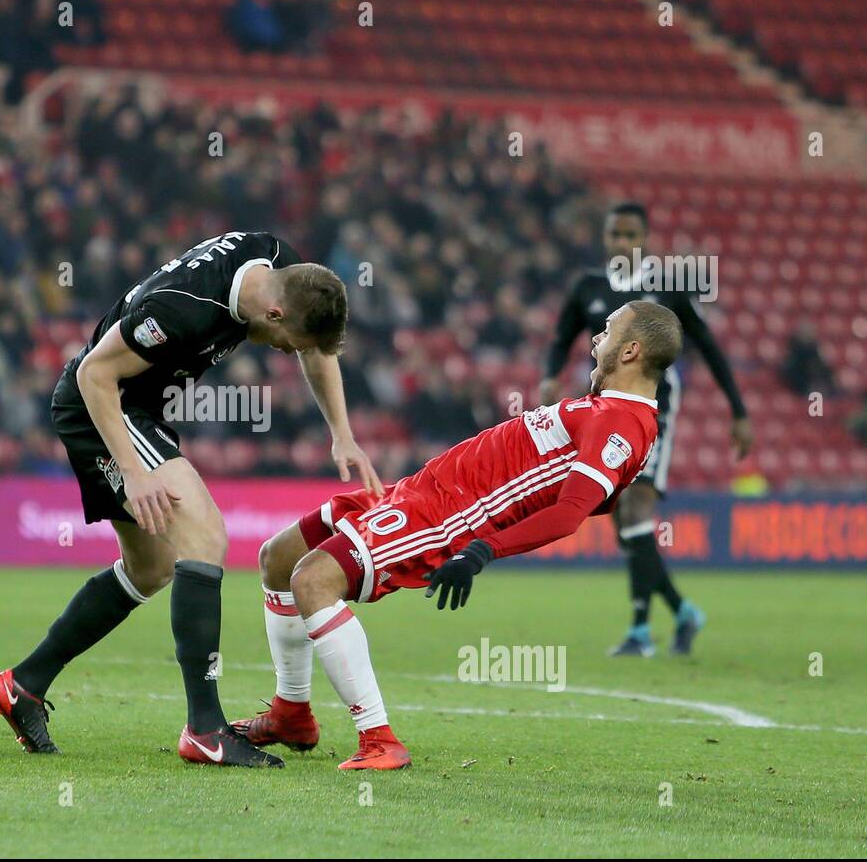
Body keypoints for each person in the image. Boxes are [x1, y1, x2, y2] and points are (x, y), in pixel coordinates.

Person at [0, 230, 382, 768]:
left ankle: (23, 685)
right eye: (289, 342)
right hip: (101, 406)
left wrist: (342, 433)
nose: (289, 354)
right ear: (273, 313)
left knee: (150, 566)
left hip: (140, 409)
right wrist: (131, 471)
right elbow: (93, 373)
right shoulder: (180, 310)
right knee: (205, 537)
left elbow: (314, 345)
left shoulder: (278, 264)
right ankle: (205, 729)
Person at [235, 301, 682, 769]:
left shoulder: (624, 424)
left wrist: (481, 550)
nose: (596, 339)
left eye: (607, 331)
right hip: (418, 490)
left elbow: (570, 513)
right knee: (279, 557)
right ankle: (291, 714)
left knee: (312, 580)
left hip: (446, 516)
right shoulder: (607, 408)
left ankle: (379, 739)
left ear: (631, 350)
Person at [539, 202, 751, 657]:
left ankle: (639, 631)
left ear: (645, 239)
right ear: (605, 237)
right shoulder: (588, 288)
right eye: (614, 234)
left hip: (656, 412)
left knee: (634, 511)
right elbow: (561, 338)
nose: (621, 243)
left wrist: (738, 410)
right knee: (623, 522)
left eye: (630, 235)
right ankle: (681, 611)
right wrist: (549, 376)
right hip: (602, 413)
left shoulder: (668, 288)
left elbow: (708, 345)